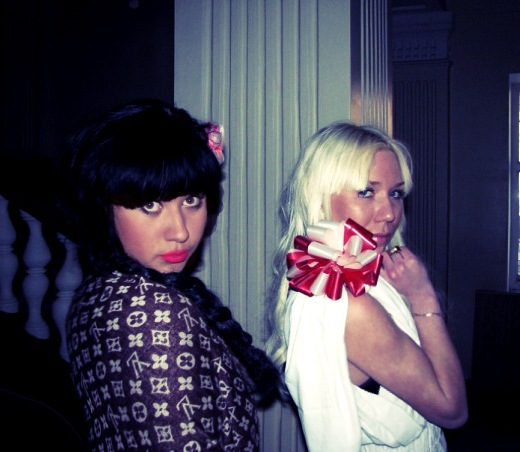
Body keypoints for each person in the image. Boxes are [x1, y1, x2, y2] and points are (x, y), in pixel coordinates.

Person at [61, 99, 281, 451]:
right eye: (151, 205)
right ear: (102, 210)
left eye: (191, 200)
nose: (180, 231)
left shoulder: (99, 289)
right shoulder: (153, 312)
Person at [265, 121, 468, 451]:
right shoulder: (349, 303)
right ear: (320, 196)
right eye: (366, 192)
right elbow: (453, 410)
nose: (389, 213)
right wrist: (423, 297)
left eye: (395, 193)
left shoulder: (358, 273)